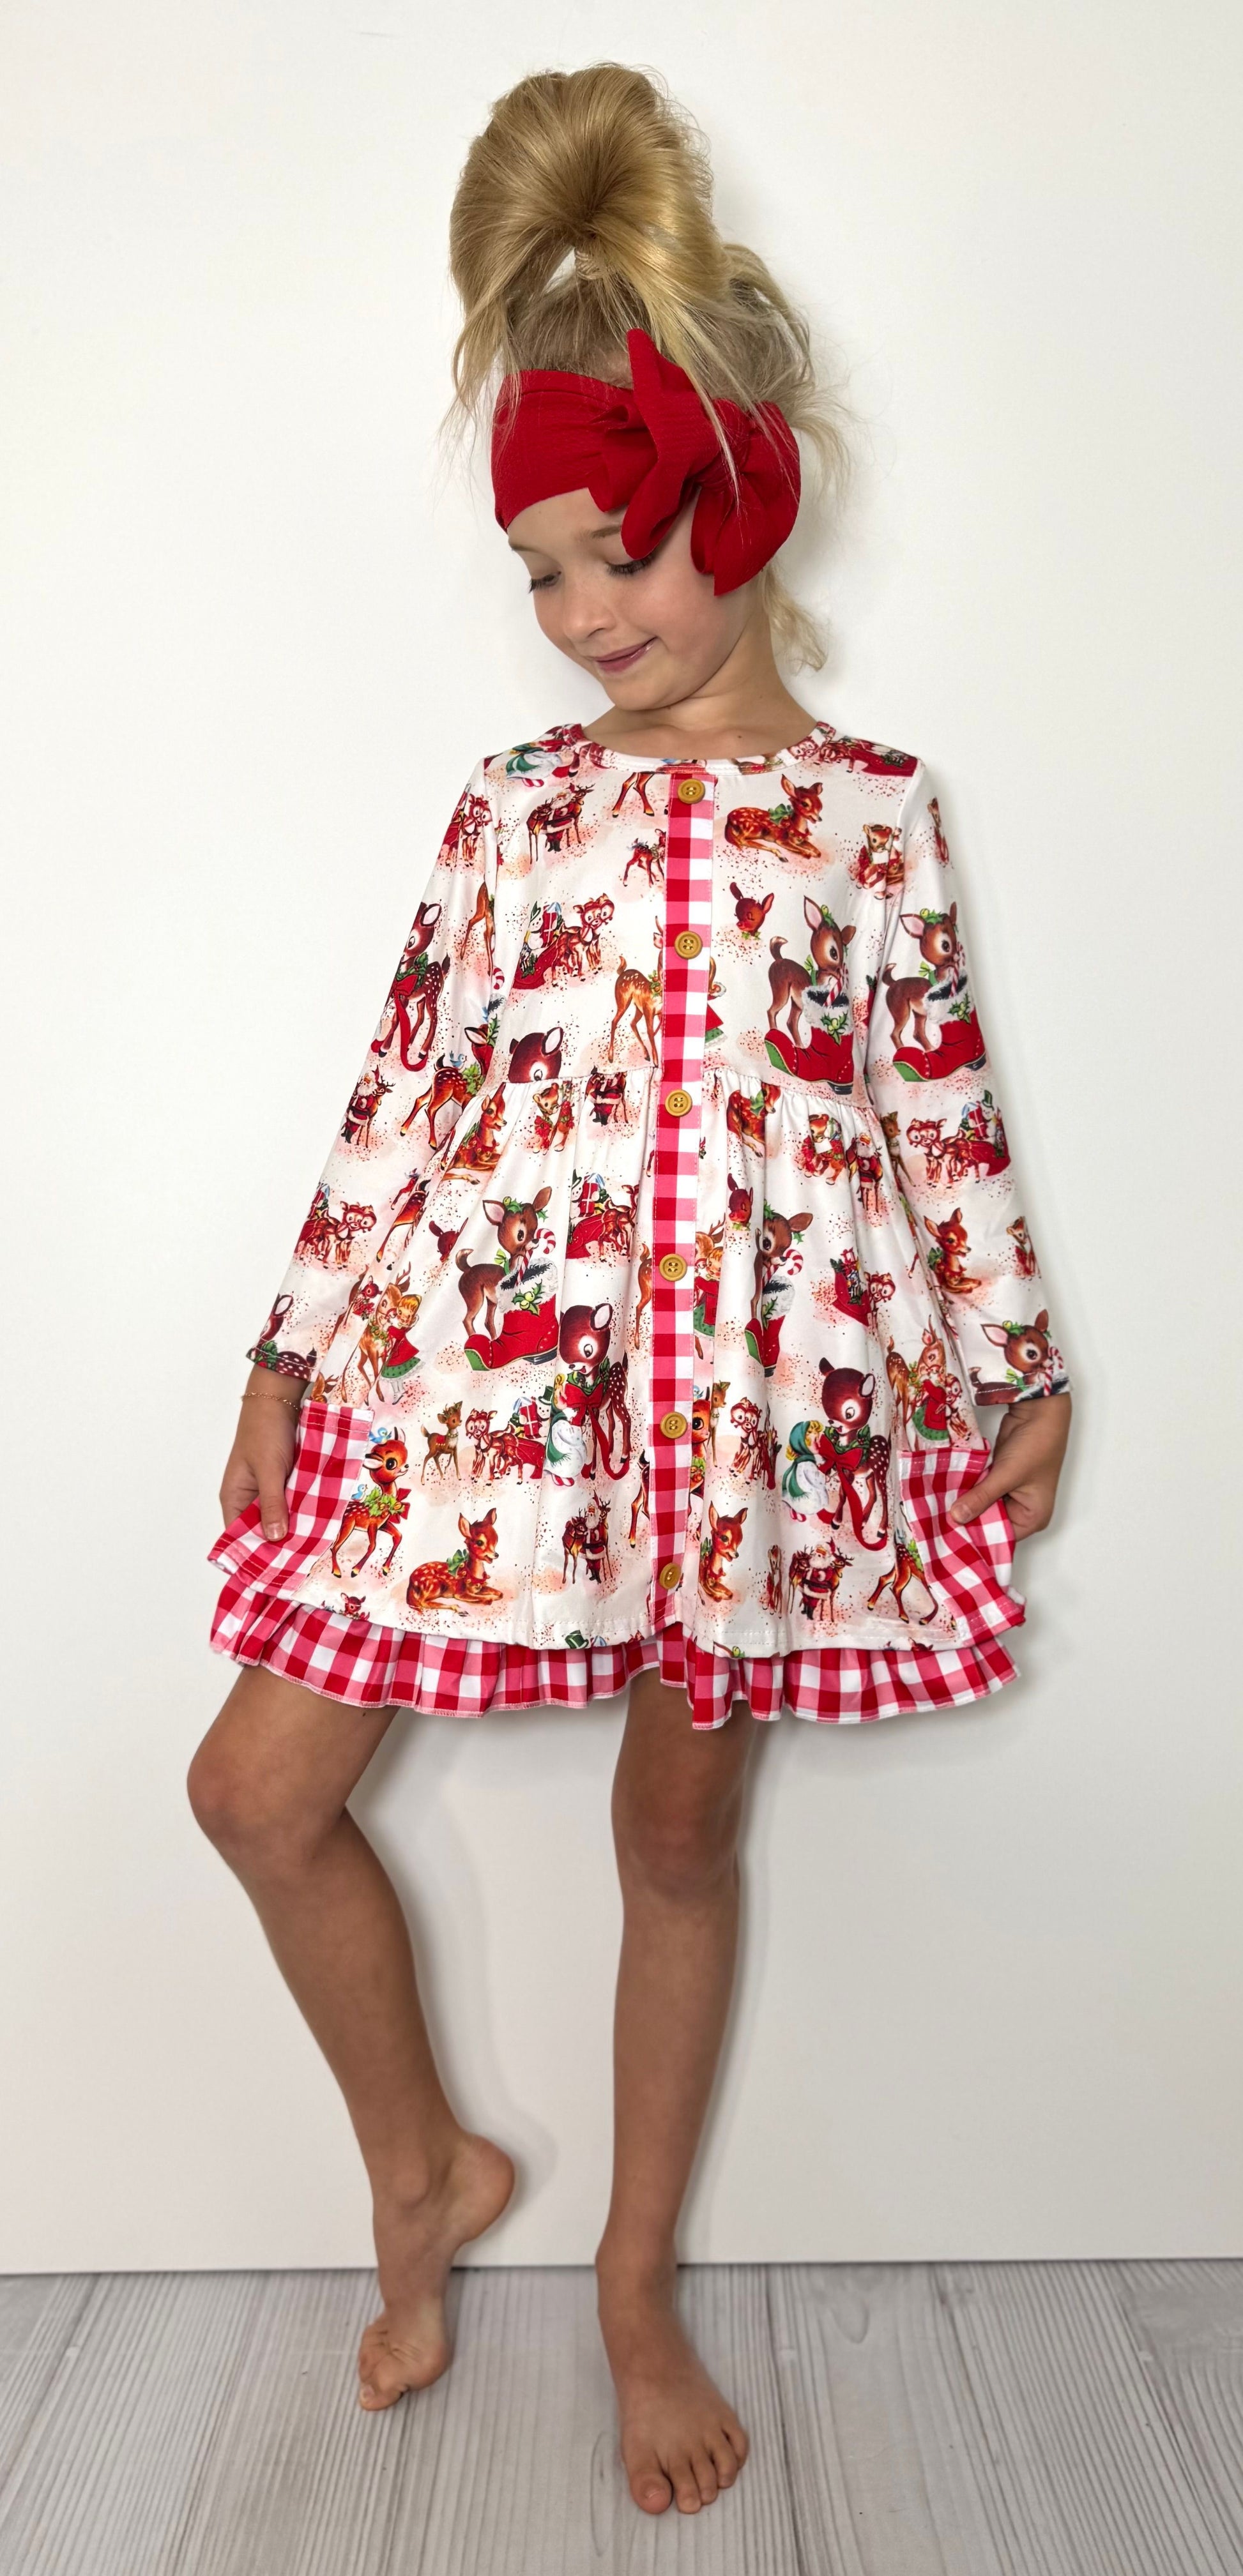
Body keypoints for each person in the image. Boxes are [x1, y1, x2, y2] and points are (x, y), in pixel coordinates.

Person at [187, 61, 1072, 2519]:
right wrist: (286, 1343)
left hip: (764, 1426)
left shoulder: (870, 815)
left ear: (743, 503)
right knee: (253, 1791)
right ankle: (420, 2162)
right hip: (493, 1406)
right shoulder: (511, 808)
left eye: (617, 559)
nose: (581, 620)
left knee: (678, 1840)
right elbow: (401, 1085)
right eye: (544, 577)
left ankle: (631, 2280)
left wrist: (1013, 1363)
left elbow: (933, 1097)